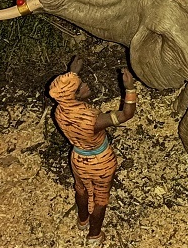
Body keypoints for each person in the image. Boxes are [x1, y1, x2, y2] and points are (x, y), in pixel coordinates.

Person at [48, 57, 137, 246]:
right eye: (81, 86)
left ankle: (82, 220)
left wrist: (72, 73)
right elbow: (126, 114)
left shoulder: (60, 111)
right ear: (75, 96)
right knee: (100, 199)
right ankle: (94, 235)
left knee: (80, 189)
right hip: (100, 161)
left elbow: (65, 91)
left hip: (78, 157)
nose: (86, 85)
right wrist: (129, 89)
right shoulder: (92, 119)